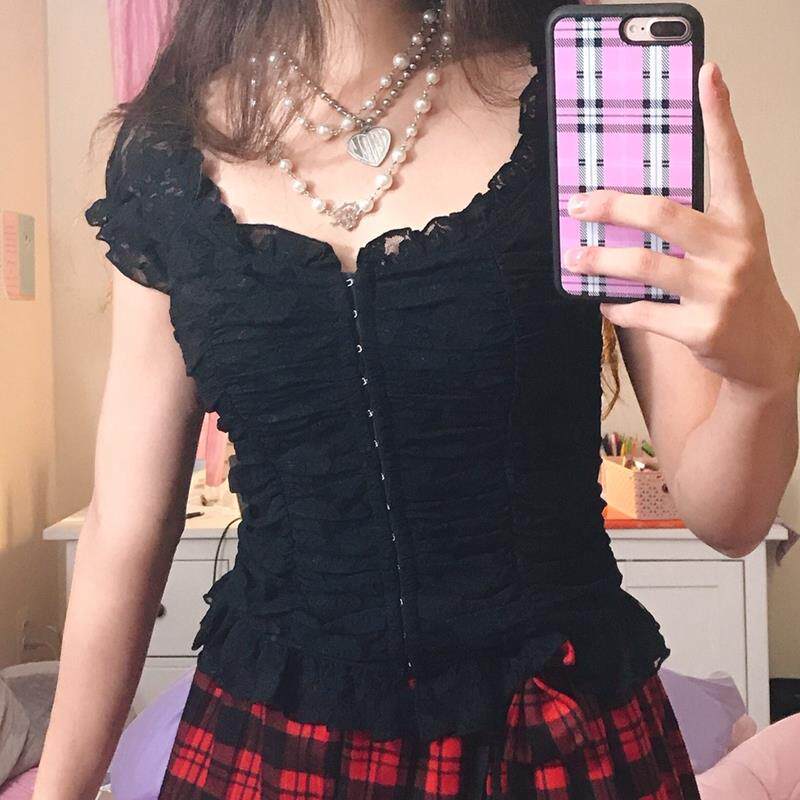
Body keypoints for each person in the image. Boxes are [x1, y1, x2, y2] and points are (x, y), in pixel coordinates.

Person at [33, 1, 800, 798]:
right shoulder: (165, 157)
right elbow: (124, 527)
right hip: (270, 743)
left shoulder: (590, 106)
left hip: (559, 741)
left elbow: (731, 517)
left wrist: (766, 374)